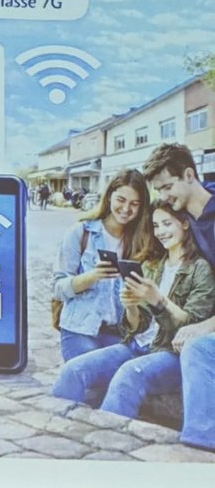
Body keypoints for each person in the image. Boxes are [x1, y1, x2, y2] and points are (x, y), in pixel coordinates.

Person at [51, 205, 215, 417]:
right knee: (73, 371)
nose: (161, 231)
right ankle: (55, 427)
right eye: (156, 226)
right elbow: (137, 326)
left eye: (167, 224)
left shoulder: (200, 269)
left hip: (170, 353)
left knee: (128, 376)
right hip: (136, 345)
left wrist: (159, 300)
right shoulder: (152, 266)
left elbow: (190, 327)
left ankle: (108, 434)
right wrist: (131, 305)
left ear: (184, 224)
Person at [143, 143, 215, 448]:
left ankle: (200, 447)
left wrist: (204, 326)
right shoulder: (185, 216)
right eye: (159, 189)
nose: (163, 196)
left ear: (188, 175)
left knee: (197, 347)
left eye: (167, 187)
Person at [51, 169, 152, 362]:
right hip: (80, 330)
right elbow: (58, 289)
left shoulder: (142, 242)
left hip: (120, 335)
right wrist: (92, 276)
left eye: (134, 204)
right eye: (121, 200)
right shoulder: (81, 232)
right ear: (109, 196)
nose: (126, 208)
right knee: (91, 377)